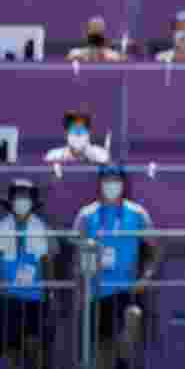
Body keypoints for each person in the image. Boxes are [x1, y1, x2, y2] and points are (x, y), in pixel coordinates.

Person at [74, 165, 161, 369]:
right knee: (103, 350)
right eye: (107, 180)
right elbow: (77, 256)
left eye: (116, 180)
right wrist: (81, 288)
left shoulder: (137, 213)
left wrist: (146, 277)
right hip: (96, 291)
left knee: (133, 319)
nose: (111, 185)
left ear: (123, 184)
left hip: (127, 289)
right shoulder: (87, 215)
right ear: (99, 183)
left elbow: (155, 250)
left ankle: (123, 363)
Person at [0, 180, 57, 369]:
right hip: (7, 298)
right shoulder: (2, 227)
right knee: (10, 350)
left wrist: (51, 293)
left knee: (34, 347)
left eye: (25, 197)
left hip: (35, 298)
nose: (21, 201)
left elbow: (48, 261)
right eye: (17, 197)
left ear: (33, 201)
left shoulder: (43, 228)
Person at [43, 110, 110, 165]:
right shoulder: (53, 156)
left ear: (89, 133)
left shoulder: (101, 155)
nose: (78, 133)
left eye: (82, 129)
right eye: (73, 129)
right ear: (66, 134)